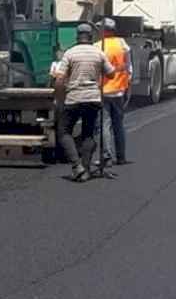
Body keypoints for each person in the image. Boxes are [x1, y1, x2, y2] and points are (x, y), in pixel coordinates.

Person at [52, 23, 116, 182]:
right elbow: (112, 74)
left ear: (77, 36)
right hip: (93, 98)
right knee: (88, 133)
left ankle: (76, 166)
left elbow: (60, 78)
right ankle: (85, 169)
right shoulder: (98, 53)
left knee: (64, 132)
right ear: (91, 37)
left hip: (74, 98)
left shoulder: (70, 53)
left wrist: (60, 99)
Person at [99, 18, 133, 167]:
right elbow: (128, 68)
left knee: (105, 125)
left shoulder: (98, 46)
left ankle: (106, 157)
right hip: (119, 90)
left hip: (104, 91)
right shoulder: (122, 44)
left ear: (103, 31)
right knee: (118, 124)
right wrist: (128, 86)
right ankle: (121, 157)